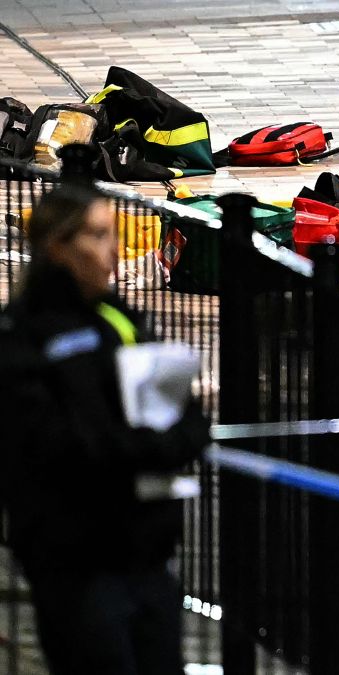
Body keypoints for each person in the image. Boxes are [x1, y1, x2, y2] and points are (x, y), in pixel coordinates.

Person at [0, 184, 210, 675]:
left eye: (111, 234)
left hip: (147, 554)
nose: (114, 251)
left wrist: (177, 437)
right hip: (76, 561)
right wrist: (151, 447)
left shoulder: (122, 317)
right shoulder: (22, 335)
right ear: (57, 248)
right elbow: (51, 445)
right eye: (97, 236)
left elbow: (181, 407)